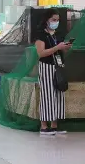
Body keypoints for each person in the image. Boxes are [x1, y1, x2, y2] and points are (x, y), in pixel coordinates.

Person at [35, 8, 71, 136]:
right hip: (46, 66)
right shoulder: (40, 35)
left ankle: (55, 125)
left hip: (58, 66)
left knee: (58, 94)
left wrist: (65, 48)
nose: (56, 22)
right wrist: (57, 47)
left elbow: (59, 51)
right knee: (47, 95)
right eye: (53, 20)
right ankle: (44, 126)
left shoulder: (57, 34)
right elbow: (41, 53)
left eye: (57, 20)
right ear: (46, 20)